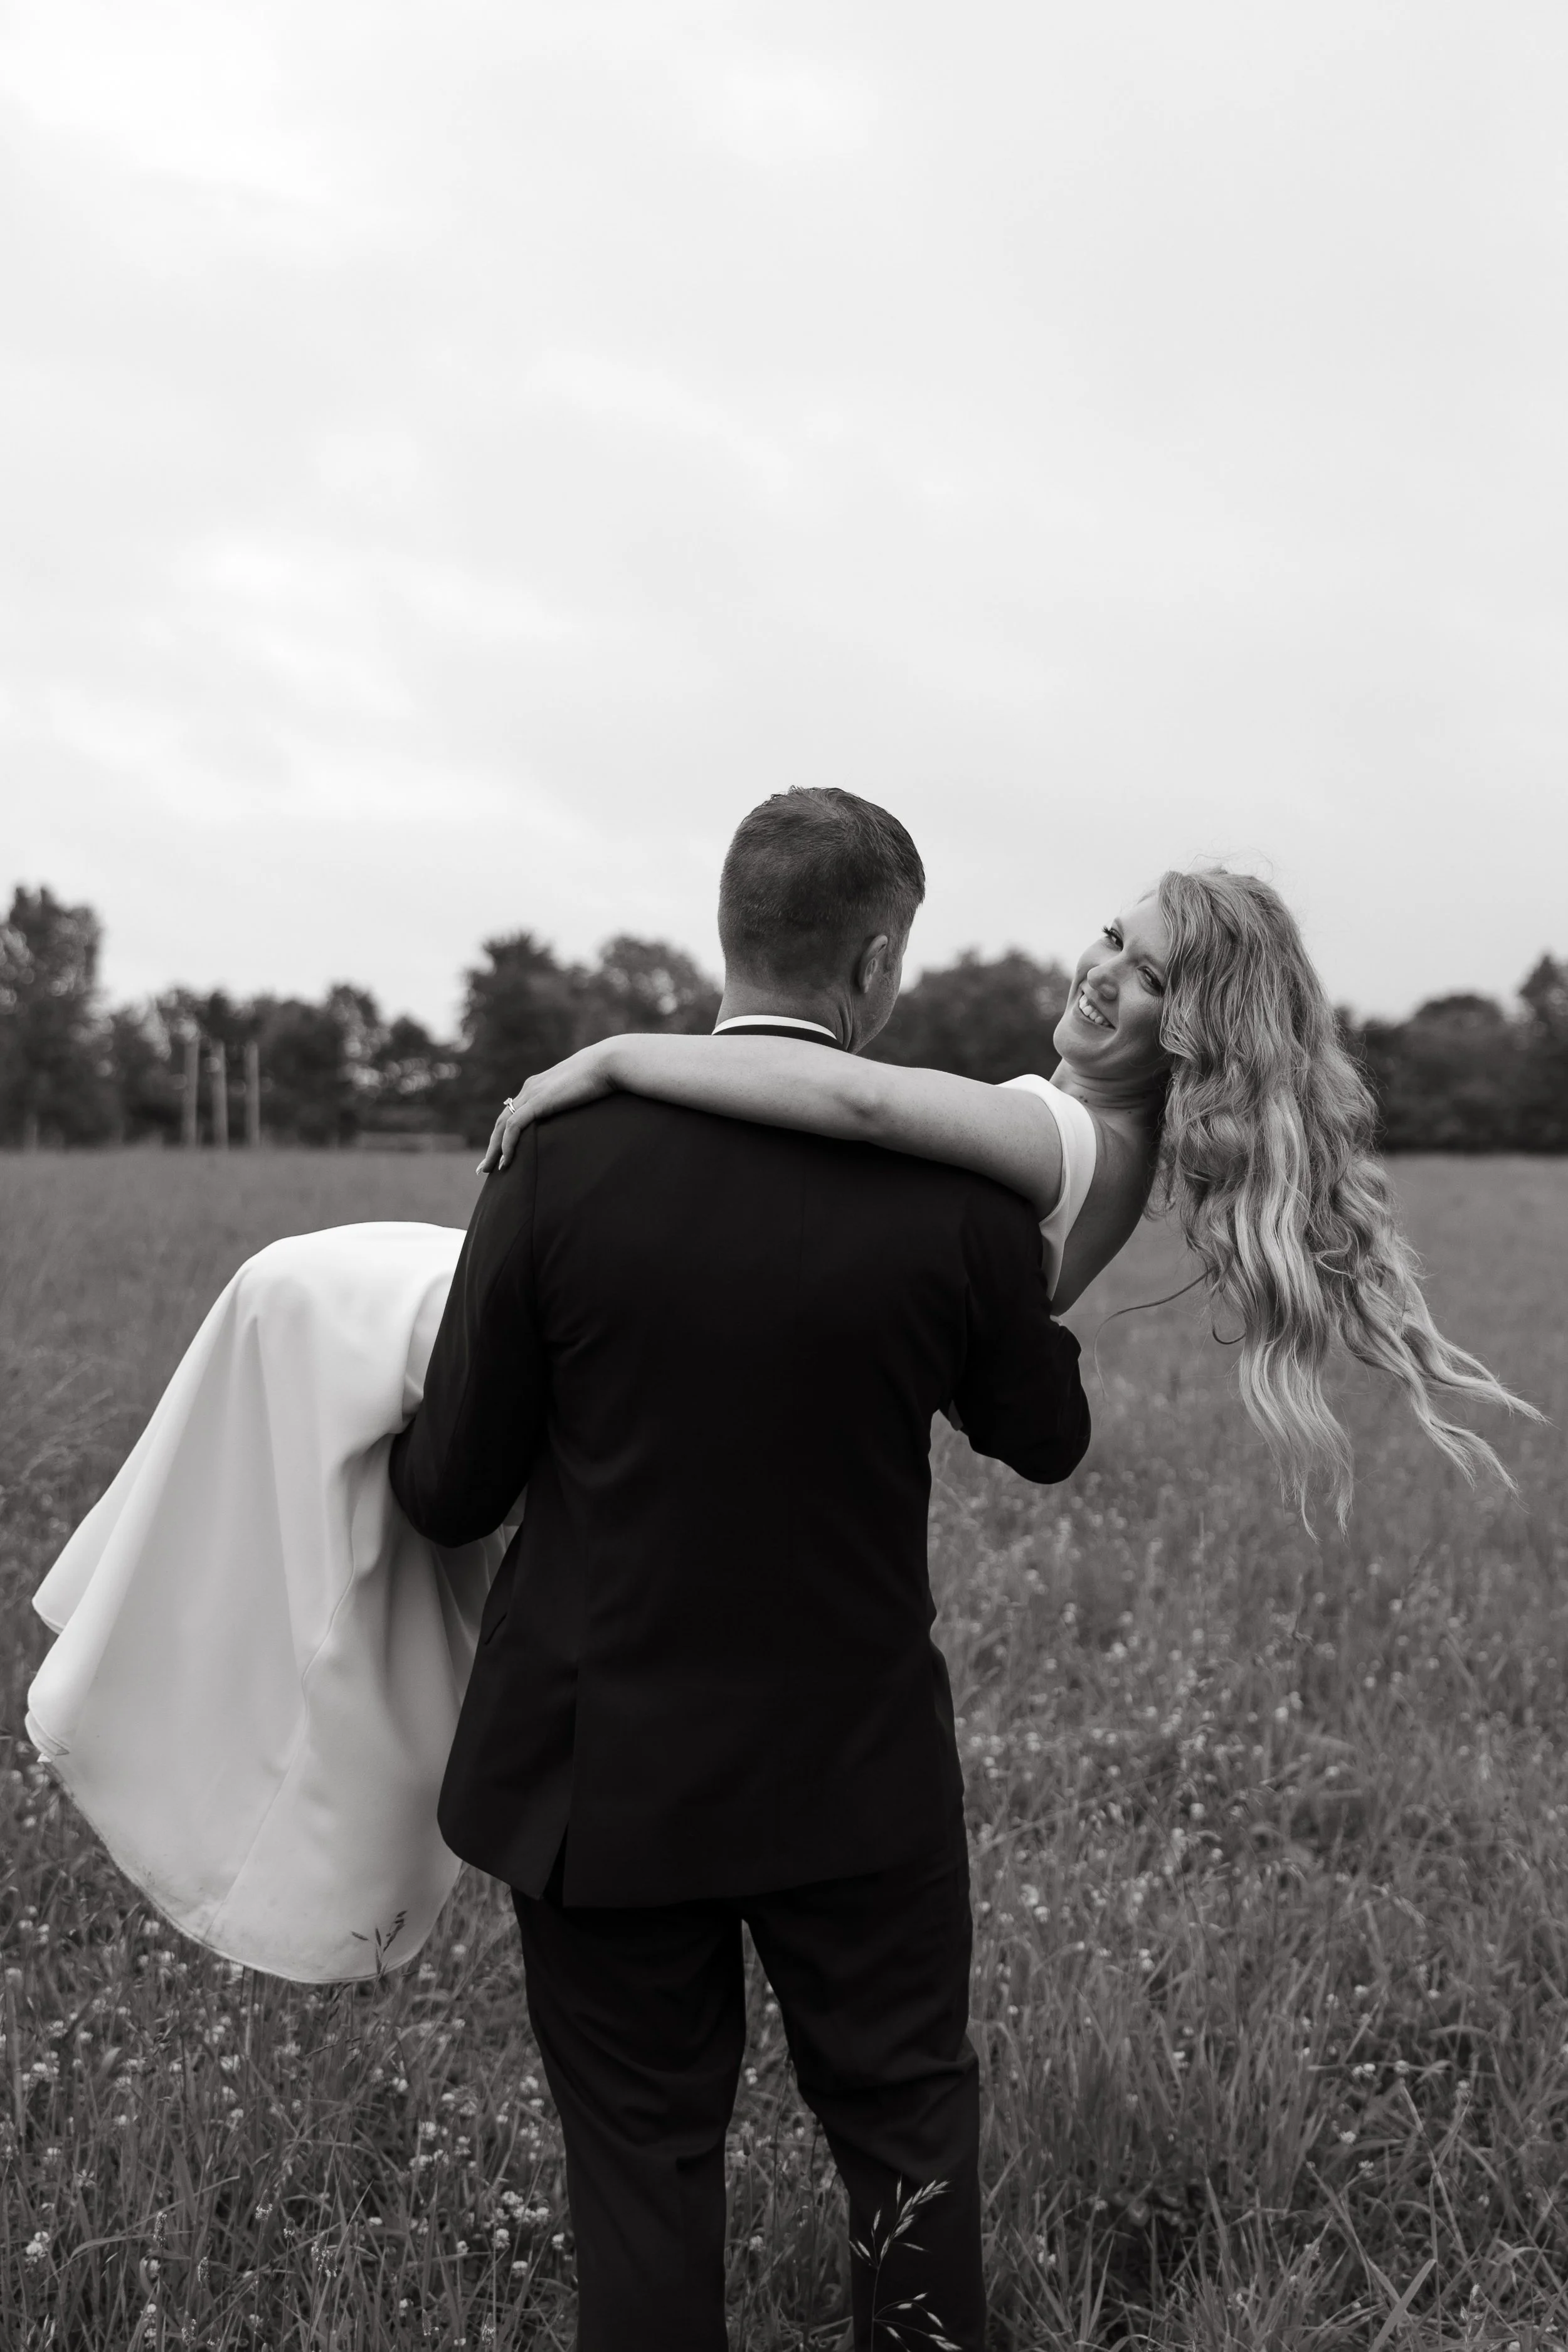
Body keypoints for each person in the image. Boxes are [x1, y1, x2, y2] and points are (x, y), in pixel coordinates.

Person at [388, 787, 1091, 2351]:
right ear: (878, 961)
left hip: (600, 1777)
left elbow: (450, 1493)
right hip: (854, 1775)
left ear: (728, 934)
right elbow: (1041, 1437)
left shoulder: (553, 1159)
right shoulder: (956, 1188)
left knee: (641, 2156)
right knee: (904, 2132)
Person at [483, 856, 1537, 1524]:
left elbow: (862, 1106)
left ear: (1191, 1033)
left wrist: (613, 1057)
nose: (1106, 968)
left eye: (1154, 977)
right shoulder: (1066, 1121)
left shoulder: (1072, 1138)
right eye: (1117, 936)